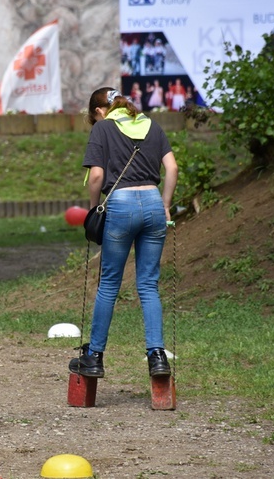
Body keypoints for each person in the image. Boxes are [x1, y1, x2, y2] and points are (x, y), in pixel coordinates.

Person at [69, 87, 178, 379]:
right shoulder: (151, 124)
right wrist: (165, 205)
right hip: (154, 204)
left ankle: (93, 357)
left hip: (121, 205)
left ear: (98, 112)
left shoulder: (103, 128)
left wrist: (95, 210)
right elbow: (172, 167)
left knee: (109, 284)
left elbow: (96, 176)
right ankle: (157, 357)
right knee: (148, 285)